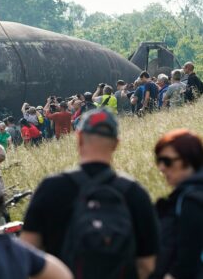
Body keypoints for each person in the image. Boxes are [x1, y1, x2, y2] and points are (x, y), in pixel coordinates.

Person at [21, 109, 159, 279]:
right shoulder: (134, 193)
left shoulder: (51, 188)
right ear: (116, 144)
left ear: (78, 138)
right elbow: (147, 266)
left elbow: (26, 256)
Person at [151, 129, 203, 279]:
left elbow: (187, 261)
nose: (161, 168)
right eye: (159, 161)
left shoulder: (192, 201)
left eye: (167, 161)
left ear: (189, 159)